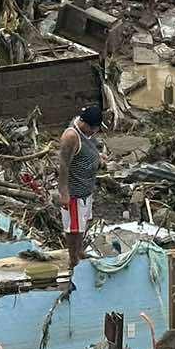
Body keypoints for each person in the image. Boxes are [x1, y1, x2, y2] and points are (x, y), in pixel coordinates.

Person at [56, 103, 103, 273]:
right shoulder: (71, 136)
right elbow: (63, 165)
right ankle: (73, 258)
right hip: (74, 192)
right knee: (73, 228)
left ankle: (80, 251)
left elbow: (90, 148)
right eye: (94, 129)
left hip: (86, 189)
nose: (94, 133)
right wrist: (64, 192)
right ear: (85, 124)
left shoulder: (86, 133)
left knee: (82, 225)